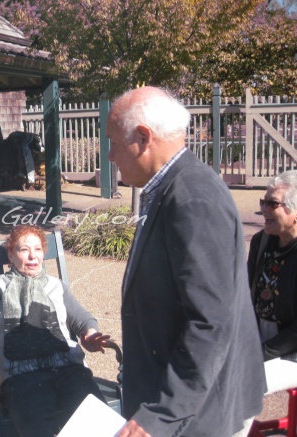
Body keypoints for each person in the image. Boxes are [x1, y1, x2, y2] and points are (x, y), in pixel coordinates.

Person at [107, 87, 266, 437]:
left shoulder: (192, 198)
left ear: (144, 137)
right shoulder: (174, 187)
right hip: (190, 403)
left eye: (115, 142)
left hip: (198, 414)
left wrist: (163, 414)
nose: (109, 155)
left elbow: (211, 320)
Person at [0, 224, 114, 436]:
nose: (32, 256)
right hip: (22, 376)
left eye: (37, 249)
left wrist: (90, 333)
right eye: (23, 249)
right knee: (39, 428)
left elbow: (82, 319)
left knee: (97, 423)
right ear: (11, 254)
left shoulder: (56, 286)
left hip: (68, 368)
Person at [248, 169, 297, 395]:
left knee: (242, 383)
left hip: (291, 350)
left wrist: (258, 353)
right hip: (261, 336)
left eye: (273, 204)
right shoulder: (261, 241)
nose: (264, 209)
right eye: (263, 202)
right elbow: (244, 294)